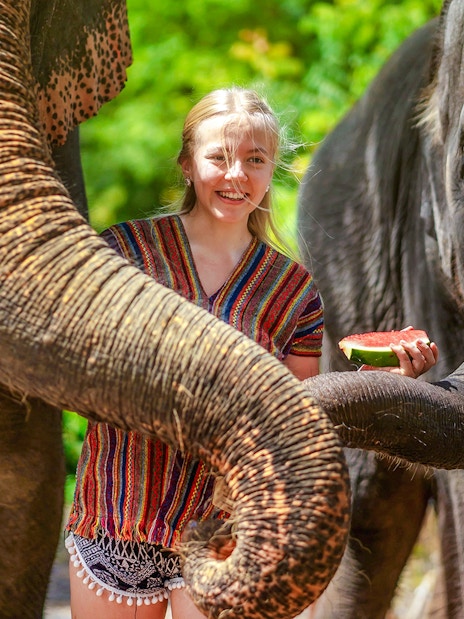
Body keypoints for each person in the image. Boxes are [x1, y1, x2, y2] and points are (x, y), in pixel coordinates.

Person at [65, 87, 438, 619]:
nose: (237, 174)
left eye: (255, 160)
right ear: (188, 164)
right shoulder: (126, 252)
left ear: (271, 171)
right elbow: (78, 372)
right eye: (219, 157)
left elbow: (294, 416)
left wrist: (387, 386)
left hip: (226, 530)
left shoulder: (294, 291)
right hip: (119, 512)